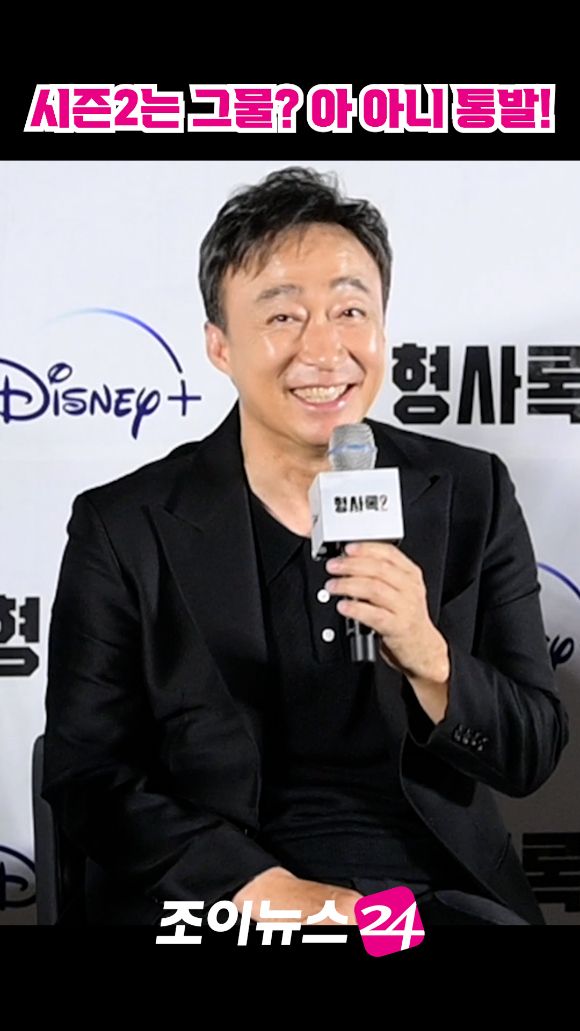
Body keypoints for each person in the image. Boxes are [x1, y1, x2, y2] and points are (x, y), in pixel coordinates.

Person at [42, 166, 569, 930]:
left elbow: (531, 749)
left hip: (425, 897)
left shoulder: (469, 492)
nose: (325, 349)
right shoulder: (127, 524)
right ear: (220, 345)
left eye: (351, 310)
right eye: (284, 316)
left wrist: (430, 656)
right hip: (228, 895)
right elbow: (87, 772)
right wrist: (265, 890)